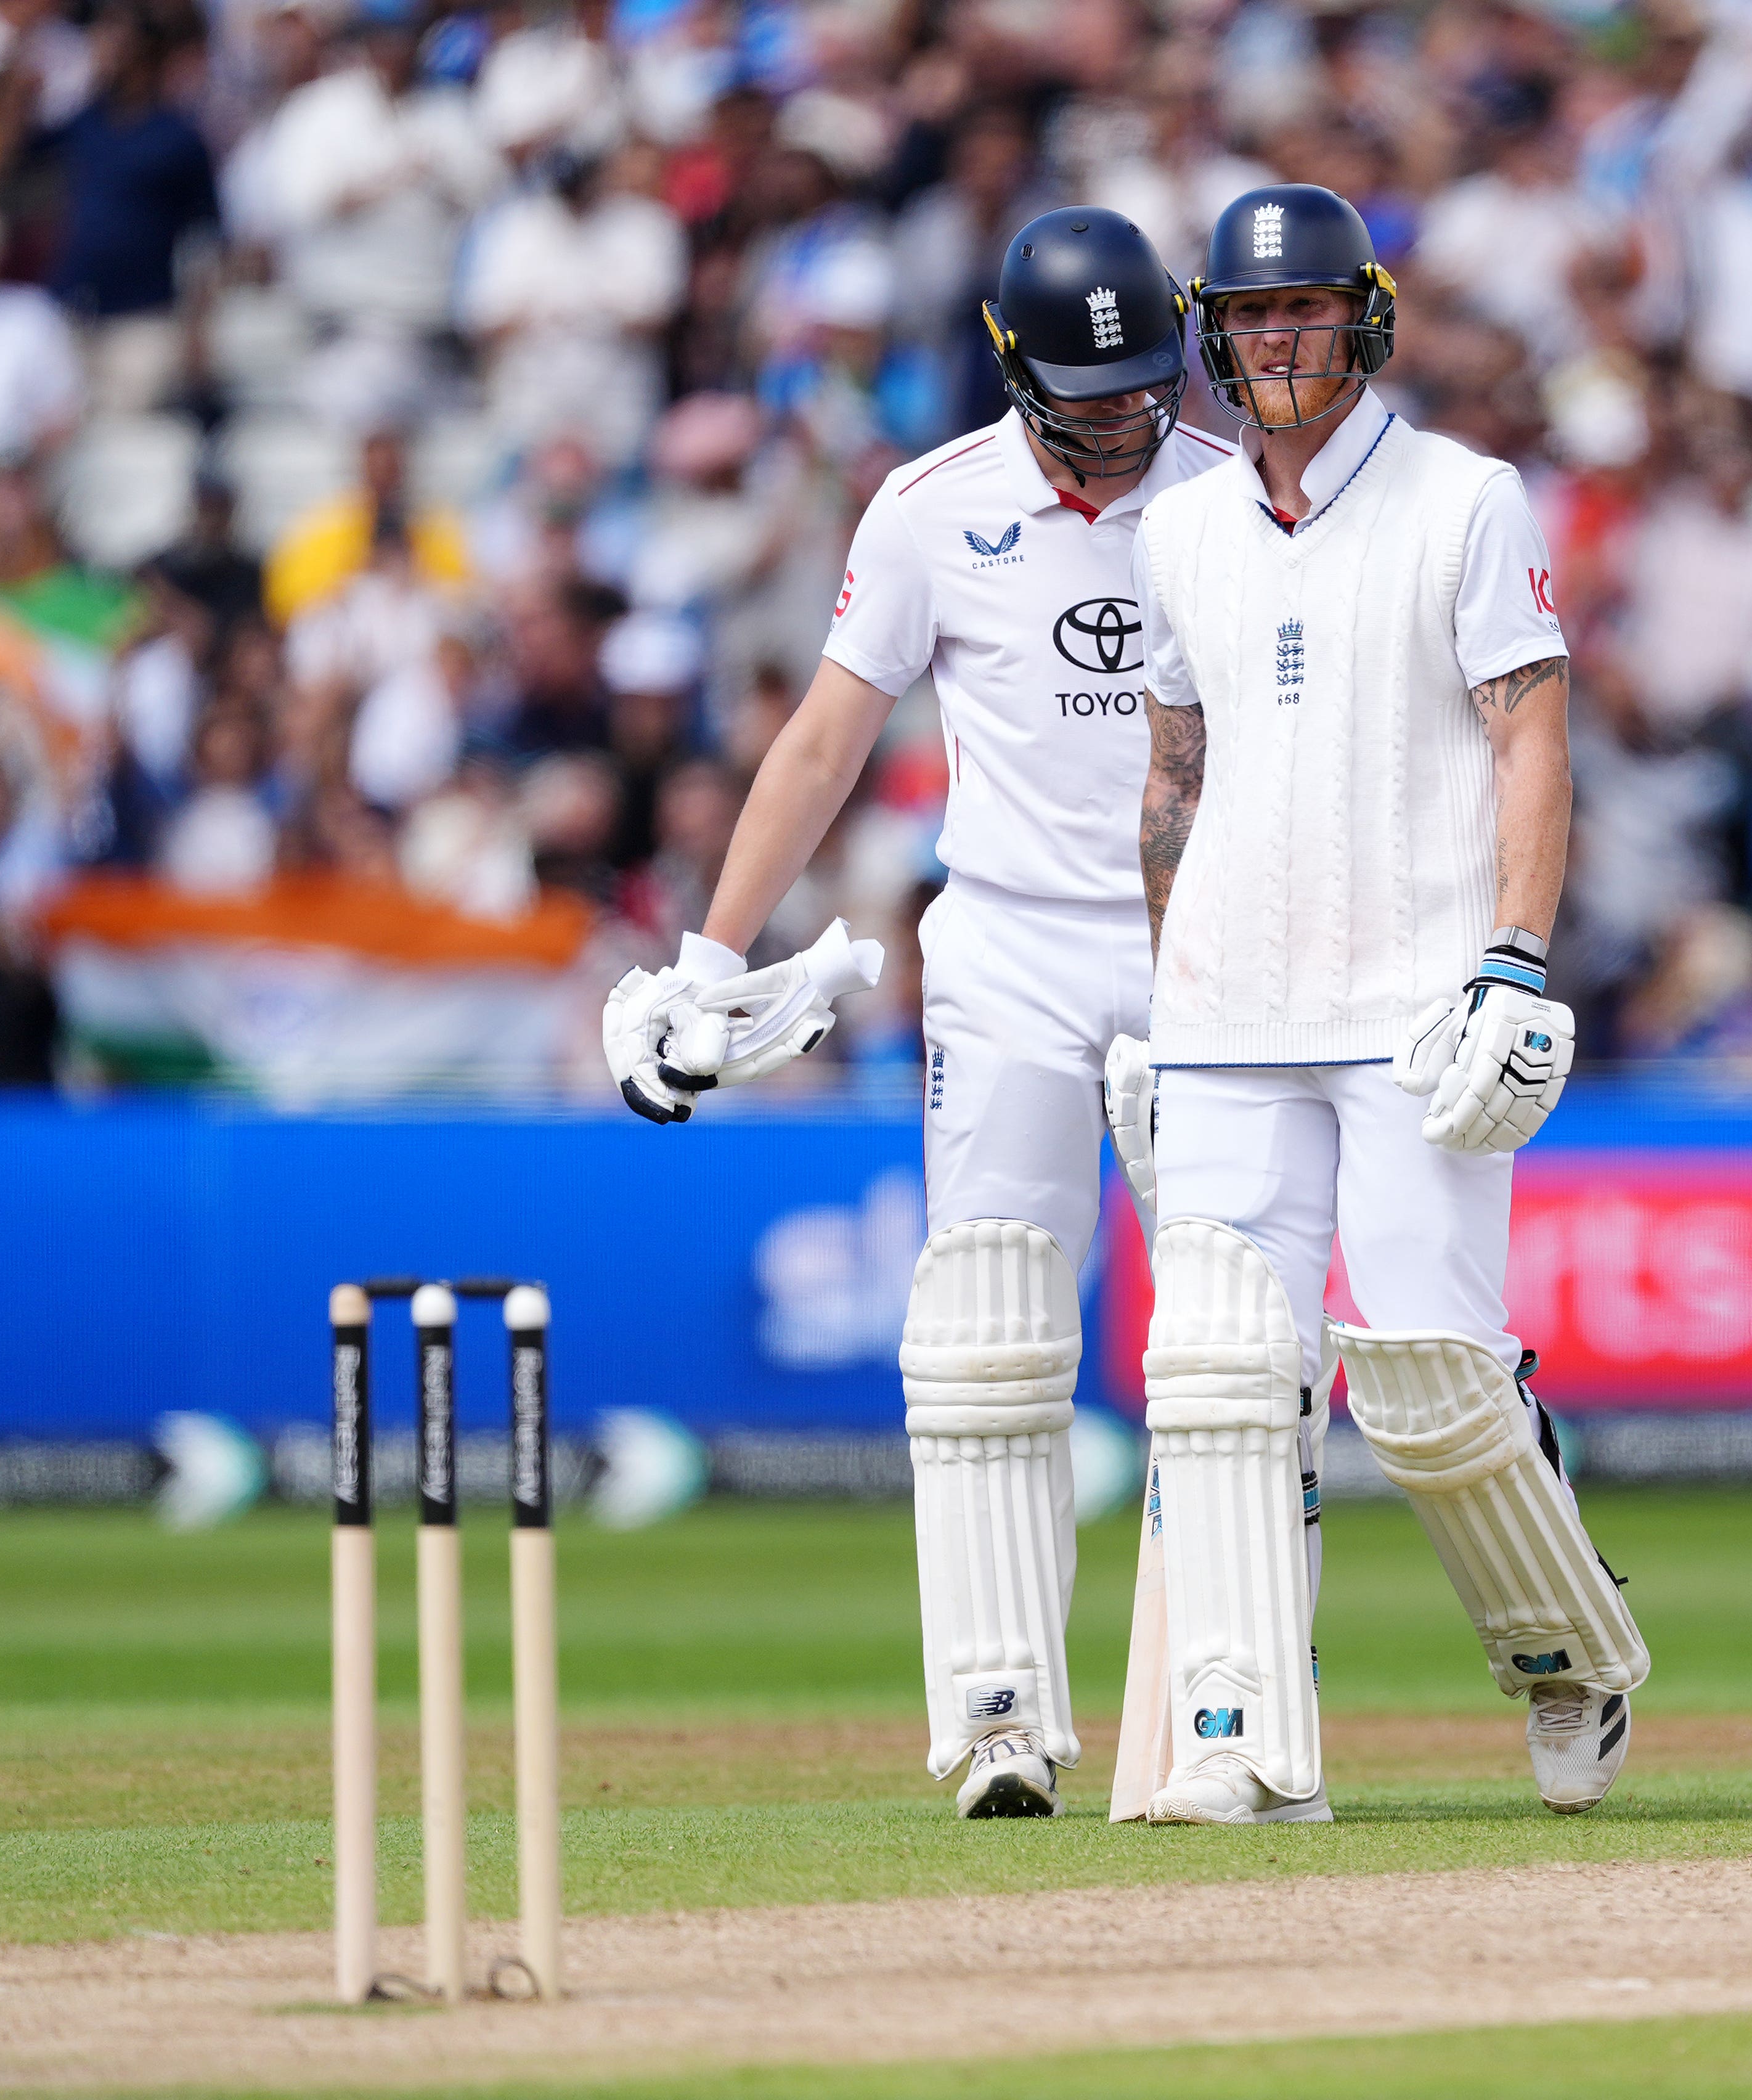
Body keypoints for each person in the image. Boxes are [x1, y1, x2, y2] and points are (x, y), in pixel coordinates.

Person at [600, 208, 1230, 1821]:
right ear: (1013, 366)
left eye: (1142, 386)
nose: (1119, 421)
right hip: (1009, 948)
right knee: (984, 1339)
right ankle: (999, 1718)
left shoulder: (1238, 505)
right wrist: (710, 958)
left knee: (1234, 1342)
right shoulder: (935, 509)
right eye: (1085, 393)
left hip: (1209, 949)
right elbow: (822, 742)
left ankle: (1230, 1718)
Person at [1120, 184, 1647, 1829]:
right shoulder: (1178, 525)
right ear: (1215, 332)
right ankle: (1240, 1734)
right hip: (1223, 1017)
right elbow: (1174, 773)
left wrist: (1513, 954)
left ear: (1363, 317)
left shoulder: (1464, 500)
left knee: (1429, 1375)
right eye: (1254, 315)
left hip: (1414, 1000)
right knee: (1217, 1372)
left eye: (1308, 311)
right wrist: (1162, 1001)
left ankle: (1572, 1664)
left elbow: (1529, 736)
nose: (1282, 340)